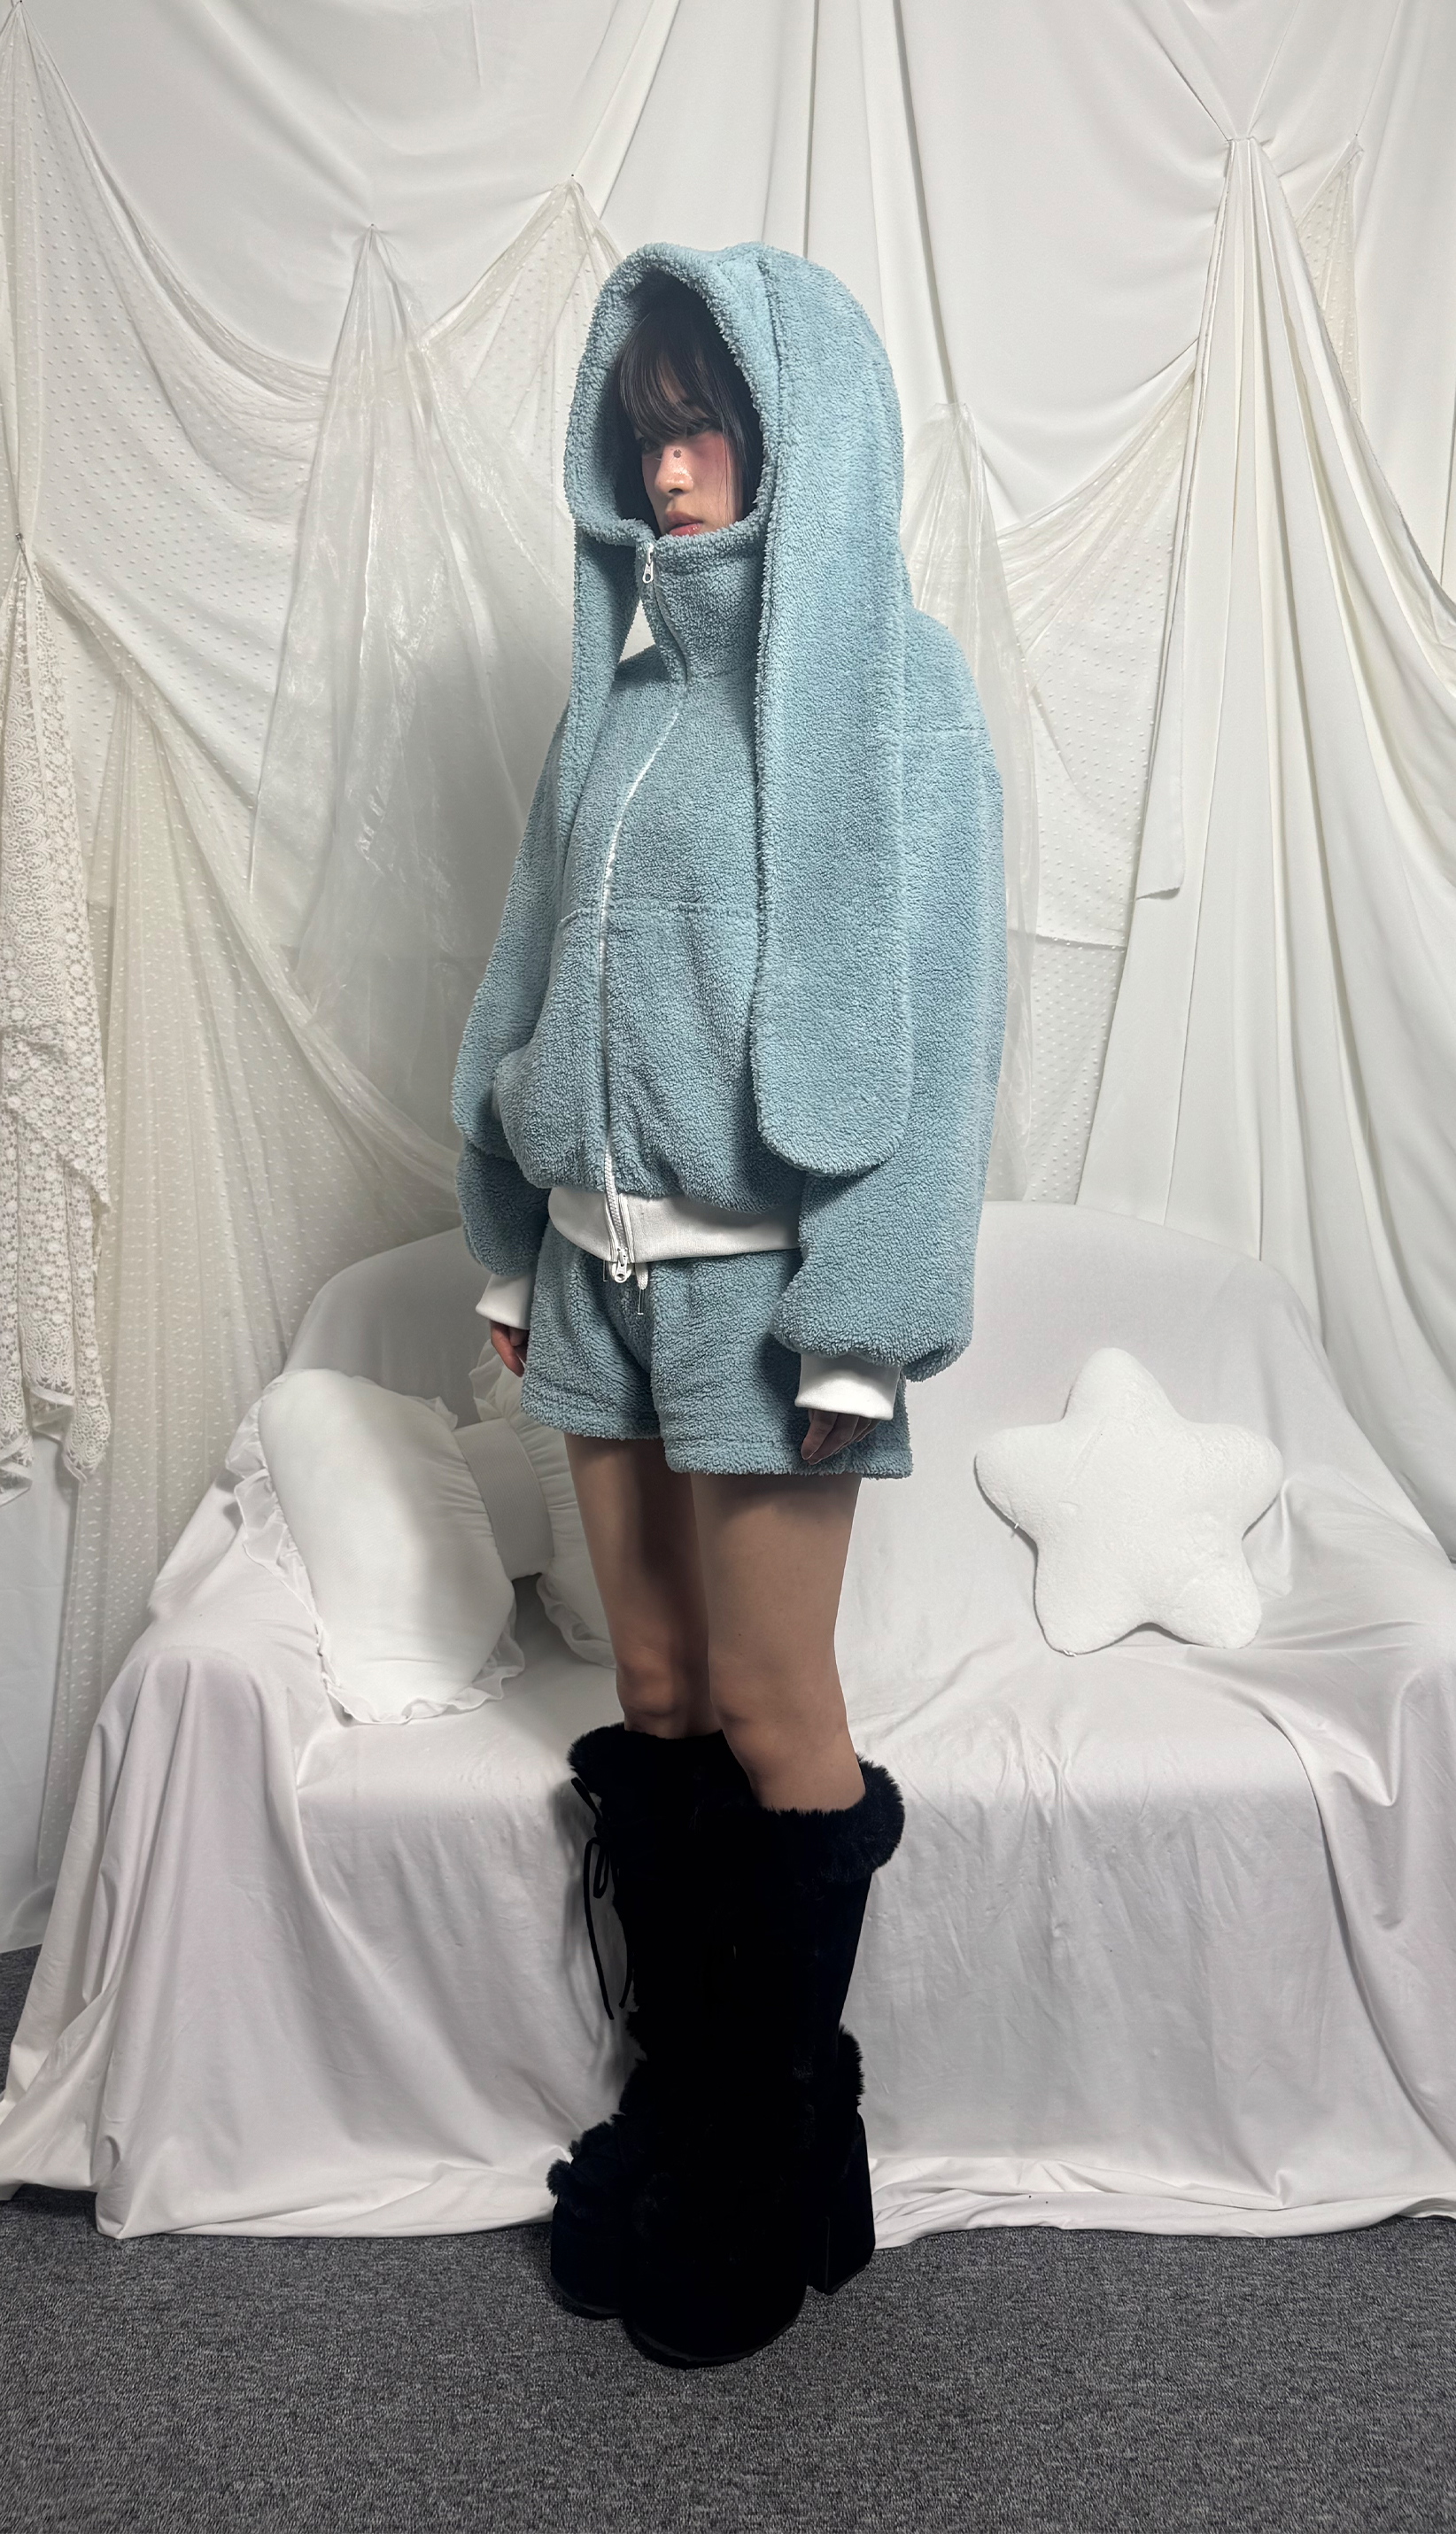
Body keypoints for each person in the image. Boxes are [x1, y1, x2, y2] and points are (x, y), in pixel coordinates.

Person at [452, 243, 1005, 2366]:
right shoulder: (621, 701)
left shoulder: (894, 692)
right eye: (646, 428)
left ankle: (773, 2161)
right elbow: (523, 968)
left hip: (769, 1298)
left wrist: (868, 1317)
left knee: (775, 1706)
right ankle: (699, 2112)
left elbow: (939, 1026)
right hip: (590, 1270)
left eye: (707, 427)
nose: (670, 469)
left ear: (801, 441)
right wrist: (504, 1232)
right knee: (661, 1687)